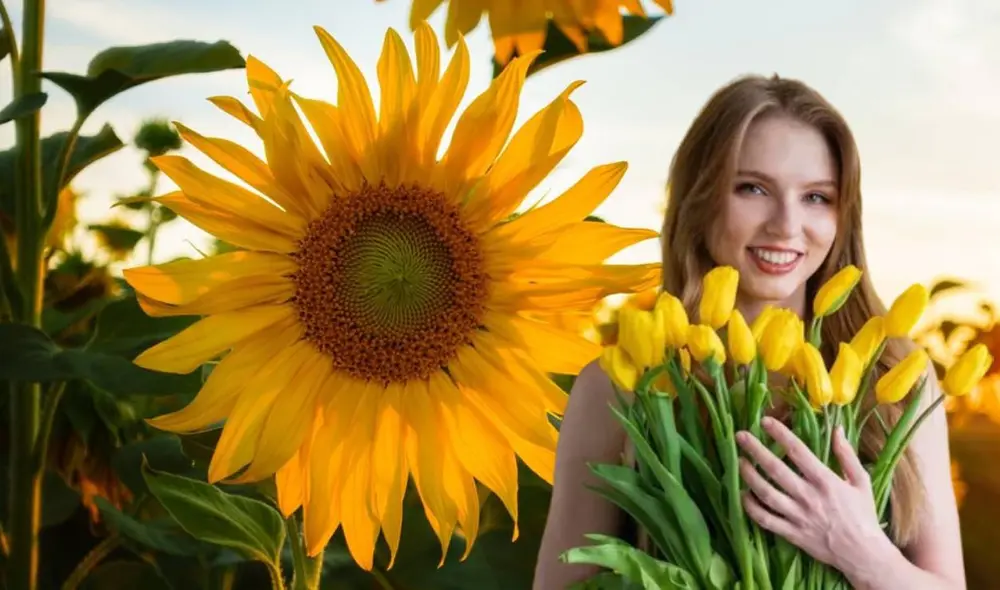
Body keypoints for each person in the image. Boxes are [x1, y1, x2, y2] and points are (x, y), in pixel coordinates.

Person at [532, 74, 967, 590]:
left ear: (842, 216)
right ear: (699, 199)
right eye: (753, 189)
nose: (786, 225)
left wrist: (866, 554)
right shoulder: (619, 386)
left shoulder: (896, 374)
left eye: (816, 197)